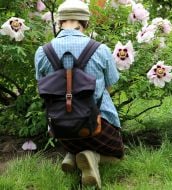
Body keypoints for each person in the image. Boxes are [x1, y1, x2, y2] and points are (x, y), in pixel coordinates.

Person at [34, 0, 124, 188]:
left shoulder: (42, 52)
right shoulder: (101, 49)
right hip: (97, 126)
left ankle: (73, 155)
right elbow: (108, 88)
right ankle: (93, 157)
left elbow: (41, 89)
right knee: (117, 156)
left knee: (73, 136)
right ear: (85, 23)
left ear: (59, 23)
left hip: (61, 129)